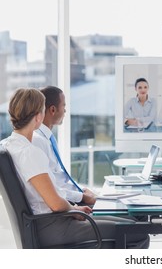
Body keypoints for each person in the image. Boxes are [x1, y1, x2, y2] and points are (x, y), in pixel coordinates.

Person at [0, 88, 149, 248]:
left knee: (132, 225)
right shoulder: (30, 152)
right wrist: (74, 208)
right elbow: (56, 203)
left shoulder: (9, 145)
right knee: (136, 233)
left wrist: (75, 208)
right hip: (53, 226)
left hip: (47, 222)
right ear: (38, 117)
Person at [32, 86, 96, 206]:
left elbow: (60, 178)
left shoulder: (47, 138)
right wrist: (82, 196)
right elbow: (52, 189)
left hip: (71, 199)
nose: (65, 111)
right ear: (52, 110)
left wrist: (82, 190)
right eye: (64, 106)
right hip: (66, 205)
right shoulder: (38, 142)